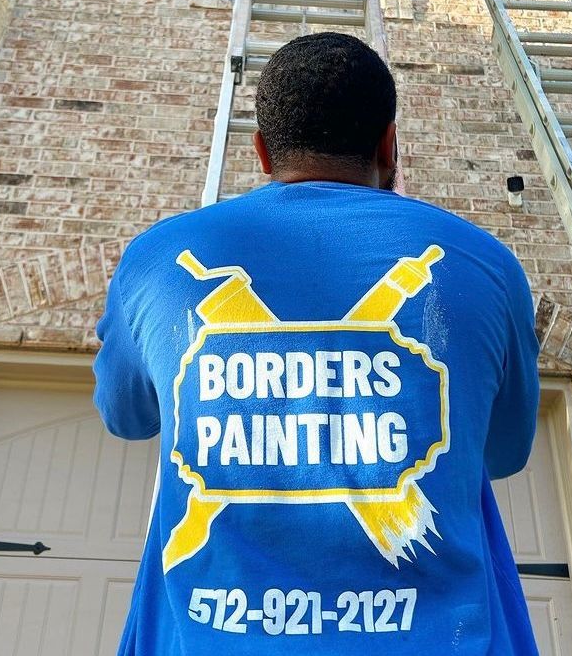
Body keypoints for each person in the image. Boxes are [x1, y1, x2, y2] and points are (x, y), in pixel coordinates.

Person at [94, 32, 541, 656]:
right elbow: (501, 452)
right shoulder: (487, 266)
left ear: (260, 151)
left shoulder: (156, 261)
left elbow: (126, 415)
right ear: (389, 144)